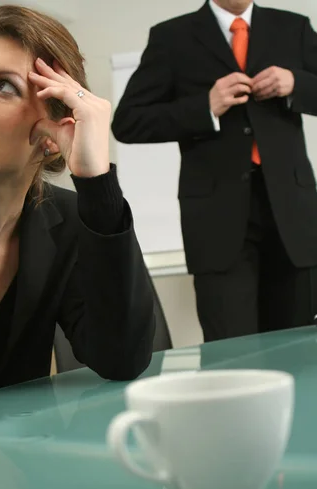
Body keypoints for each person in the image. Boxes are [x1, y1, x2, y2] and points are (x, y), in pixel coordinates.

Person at [0, 5, 155, 411]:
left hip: (11, 466)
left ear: (49, 134)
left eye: (3, 86)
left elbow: (122, 358)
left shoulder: (70, 226)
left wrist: (95, 179)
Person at [112, 0, 317, 343]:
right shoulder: (171, 37)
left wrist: (296, 83)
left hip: (294, 219)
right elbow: (127, 122)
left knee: (299, 350)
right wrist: (204, 107)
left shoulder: (293, 27)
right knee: (232, 354)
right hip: (216, 223)